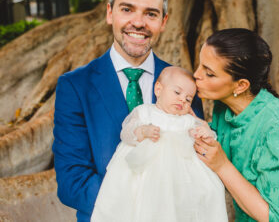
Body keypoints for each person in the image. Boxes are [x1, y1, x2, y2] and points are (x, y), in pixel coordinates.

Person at [52, 0, 203, 221]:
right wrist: (140, 207)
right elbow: (72, 182)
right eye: (127, 9)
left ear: (163, 21)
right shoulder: (74, 86)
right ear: (110, 13)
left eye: (151, 14)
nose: (138, 22)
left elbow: (193, 167)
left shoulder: (184, 88)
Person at [193, 28, 279, 222]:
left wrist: (222, 166)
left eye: (209, 73)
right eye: (200, 65)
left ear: (240, 86)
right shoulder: (225, 106)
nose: (196, 75)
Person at [91, 66, 228, 222]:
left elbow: (208, 138)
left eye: (188, 99)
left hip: (178, 177)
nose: (182, 99)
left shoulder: (187, 121)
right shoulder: (144, 112)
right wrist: (143, 131)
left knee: (185, 204)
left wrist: (205, 134)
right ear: (158, 89)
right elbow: (126, 132)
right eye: (177, 92)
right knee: (135, 204)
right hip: (143, 172)